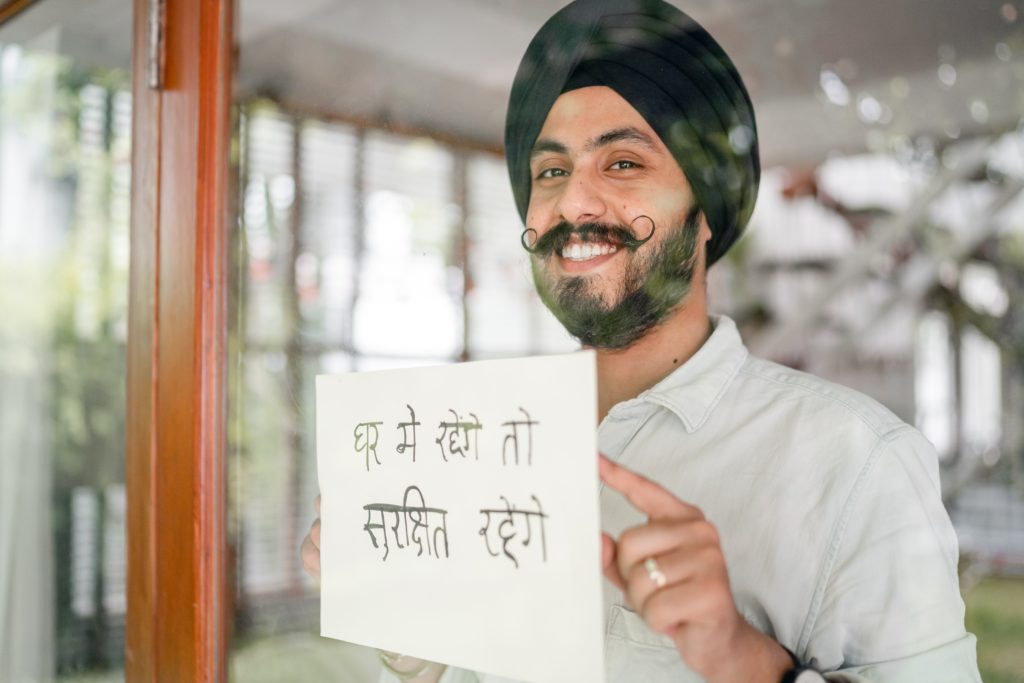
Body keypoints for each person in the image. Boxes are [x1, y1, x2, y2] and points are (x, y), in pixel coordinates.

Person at [302, 1, 981, 681]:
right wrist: (404, 626)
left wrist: (742, 656)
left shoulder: (861, 464)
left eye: (623, 163)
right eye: (550, 172)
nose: (574, 204)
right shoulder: (480, 448)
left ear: (705, 208)